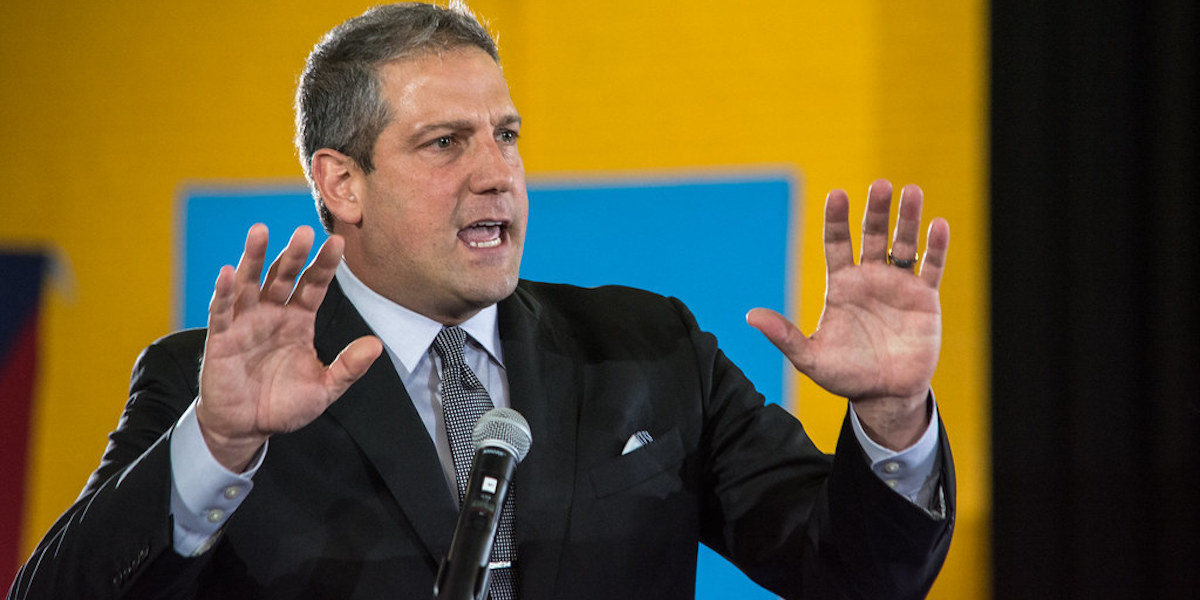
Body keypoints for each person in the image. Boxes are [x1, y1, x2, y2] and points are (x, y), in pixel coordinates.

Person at [8, 2, 954, 599]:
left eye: (506, 135)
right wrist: (217, 448)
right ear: (341, 183)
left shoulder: (648, 349)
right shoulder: (215, 388)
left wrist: (892, 418)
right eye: (445, 143)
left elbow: (859, 576)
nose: (497, 174)